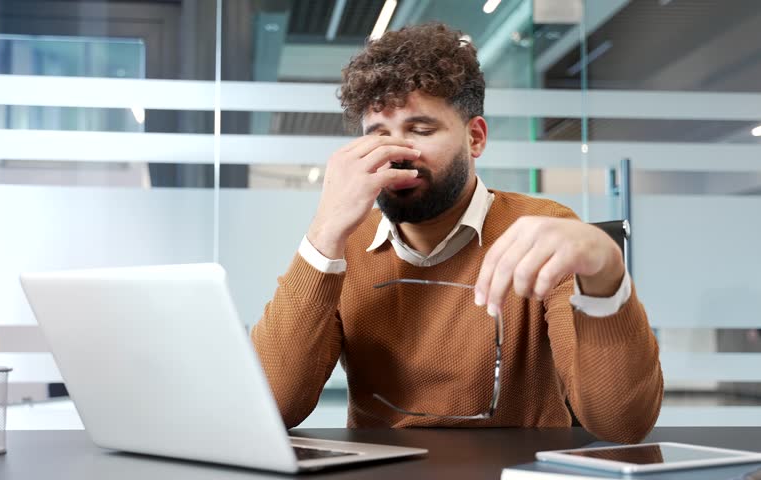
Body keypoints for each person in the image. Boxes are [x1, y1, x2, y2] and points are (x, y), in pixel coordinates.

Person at [251, 22, 662, 444]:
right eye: (377, 136)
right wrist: (324, 231)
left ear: (475, 137)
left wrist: (607, 268)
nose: (395, 156)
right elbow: (270, 407)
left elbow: (622, 423)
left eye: (421, 130)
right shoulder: (343, 246)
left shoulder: (545, 231)